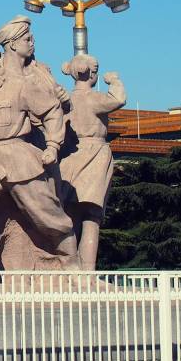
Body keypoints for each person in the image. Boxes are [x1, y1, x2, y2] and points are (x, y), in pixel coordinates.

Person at [0, 27, 80, 270]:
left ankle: (71, 263)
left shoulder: (18, 85)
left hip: (16, 155)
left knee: (47, 216)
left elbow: (52, 110)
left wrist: (53, 145)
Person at [59, 55, 126, 270]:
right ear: (91, 73)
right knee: (91, 218)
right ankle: (87, 273)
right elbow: (118, 99)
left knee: (68, 217)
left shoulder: (66, 101)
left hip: (68, 157)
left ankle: (69, 269)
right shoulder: (92, 98)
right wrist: (114, 80)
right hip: (94, 155)